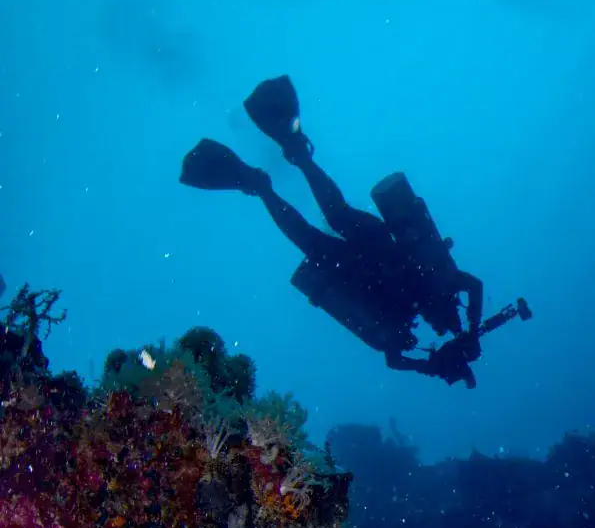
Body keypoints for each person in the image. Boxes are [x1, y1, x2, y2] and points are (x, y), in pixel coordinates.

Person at [179, 76, 530, 388]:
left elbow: (394, 358)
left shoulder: (411, 313)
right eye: (441, 323)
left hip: (361, 264)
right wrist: (466, 334)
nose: (436, 325)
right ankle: (279, 168)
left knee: (322, 226)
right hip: (375, 252)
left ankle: (273, 172)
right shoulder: (441, 285)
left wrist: (433, 363)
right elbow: (474, 286)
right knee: (327, 222)